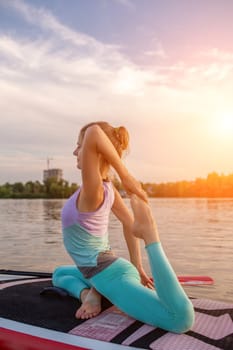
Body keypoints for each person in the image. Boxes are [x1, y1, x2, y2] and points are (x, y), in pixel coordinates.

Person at [52, 121, 194, 333]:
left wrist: (125, 175)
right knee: (58, 274)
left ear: (97, 151)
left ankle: (151, 237)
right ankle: (91, 292)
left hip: (109, 275)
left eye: (79, 146)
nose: (75, 152)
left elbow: (93, 131)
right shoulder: (107, 189)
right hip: (108, 269)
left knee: (179, 319)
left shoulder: (94, 190)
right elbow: (129, 223)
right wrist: (137, 266)